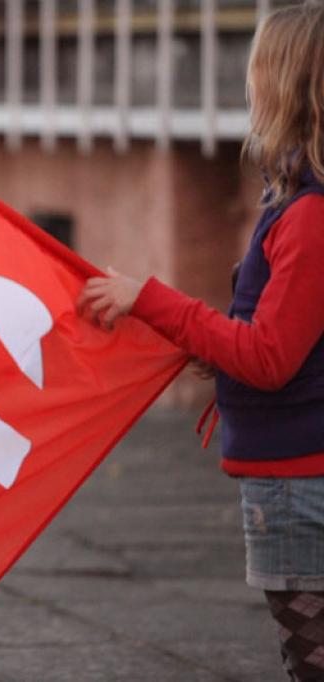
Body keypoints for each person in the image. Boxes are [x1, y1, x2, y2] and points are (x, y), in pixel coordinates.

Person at [77, 3, 324, 679]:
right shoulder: (295, 200)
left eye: (256, 75)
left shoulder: (308, 215)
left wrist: (150, 298)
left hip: (300, 477)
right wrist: (212, 346)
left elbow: (271, 358)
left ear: (283, 85)